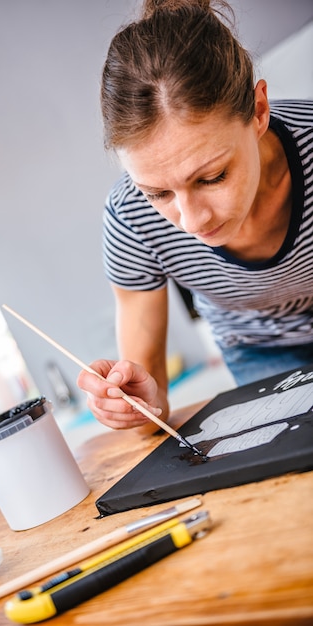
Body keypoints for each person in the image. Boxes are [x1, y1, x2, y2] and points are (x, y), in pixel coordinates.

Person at [77, 0, 313, 436]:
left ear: (258, 110)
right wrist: (139, 405)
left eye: (213, 176)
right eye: (159, 193)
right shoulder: (130, 218)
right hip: (259, 349)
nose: (191, 220)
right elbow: (151, 405)